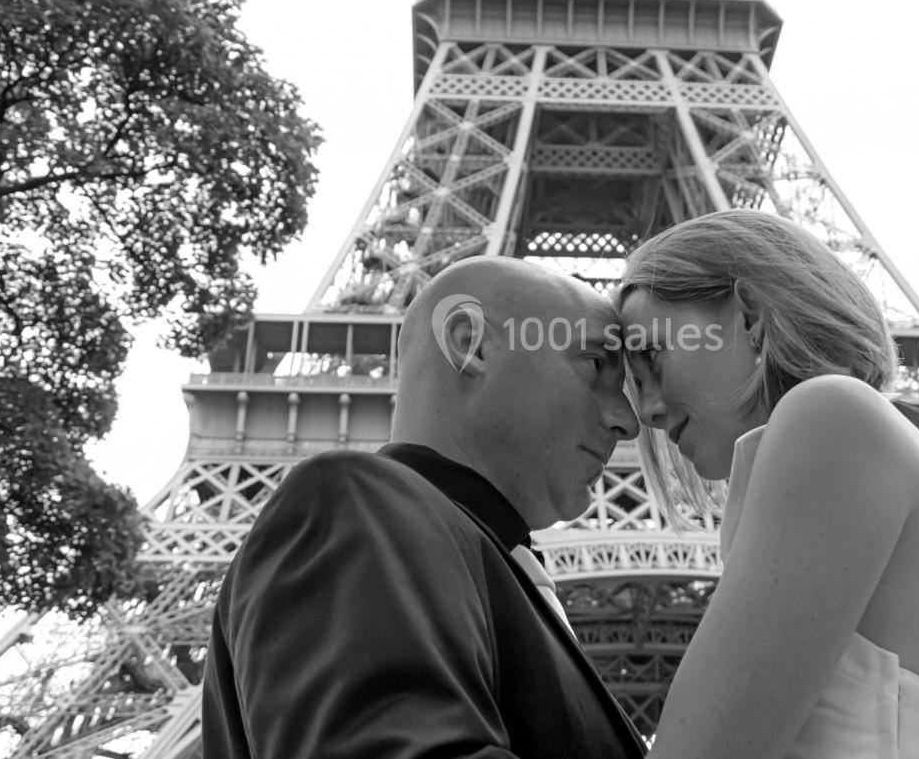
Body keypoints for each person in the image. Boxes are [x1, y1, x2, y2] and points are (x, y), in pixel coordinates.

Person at [202, 257, 647, 758]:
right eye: (594, 366)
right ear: (472, 344)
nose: (629, 421)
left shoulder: (501, 573)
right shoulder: (351, 500)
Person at [616, 210, 919, 758]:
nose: (646, 413)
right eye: (633, 386)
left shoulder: (832, 412)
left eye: (652, 358)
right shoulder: (853, 432)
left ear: (750, 317)